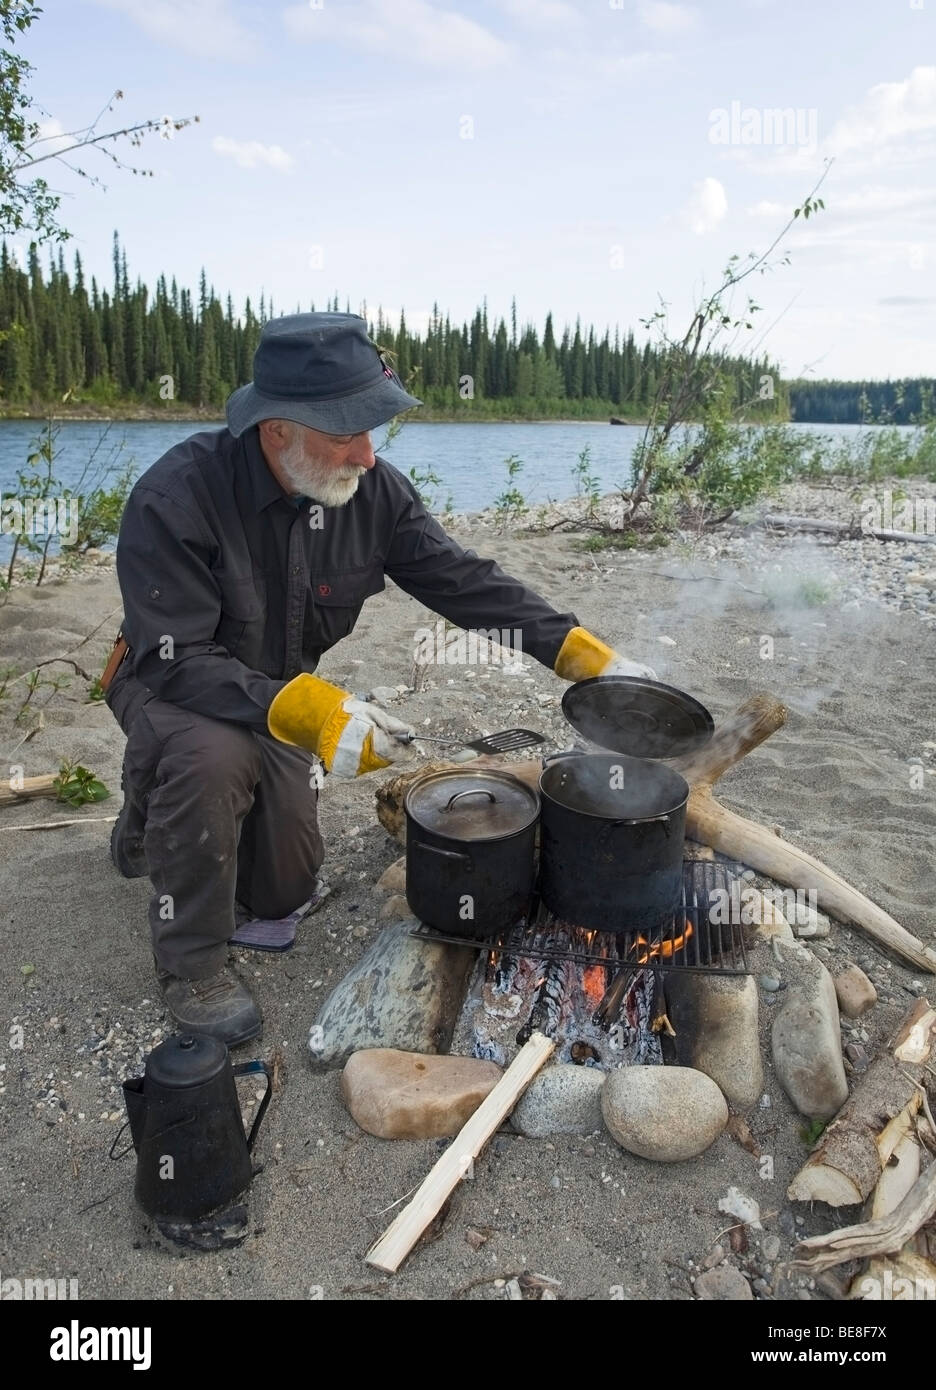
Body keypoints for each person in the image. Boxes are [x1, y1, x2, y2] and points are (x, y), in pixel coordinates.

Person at [105, 312, 654, 1045]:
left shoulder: (372, 491)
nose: (367, 453)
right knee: (210, 758)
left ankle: (162, 820)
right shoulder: (176, 497)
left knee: (283, 890)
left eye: (374, 430)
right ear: (276, 430)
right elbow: (180, 659)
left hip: (275, 696)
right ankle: (192, 958)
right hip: (168, 682)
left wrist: (589, 658)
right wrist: (319, 717)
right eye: (345, 434)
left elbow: (463, 580)